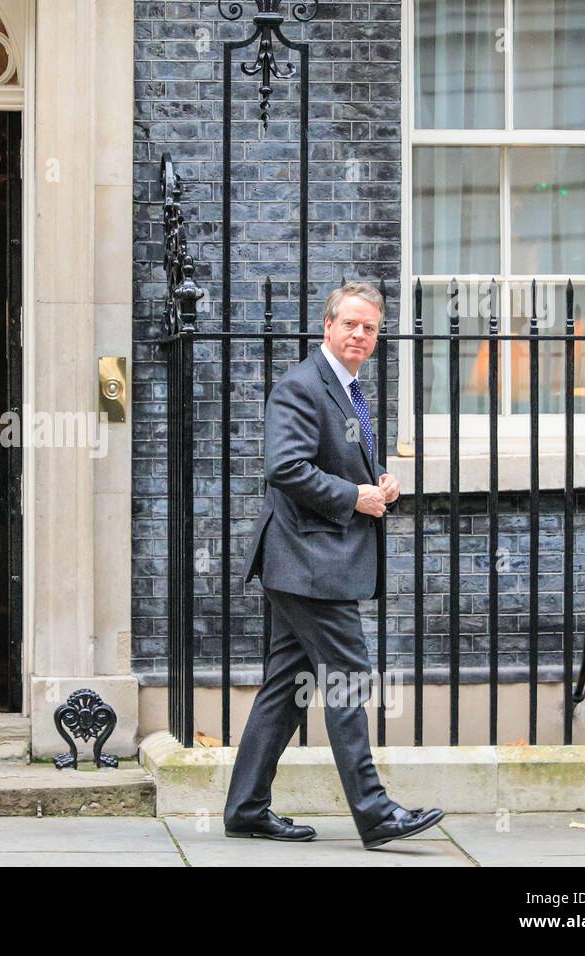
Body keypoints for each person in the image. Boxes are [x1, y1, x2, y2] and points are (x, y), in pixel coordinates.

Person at [224, 281, 445, 850]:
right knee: (349, 675)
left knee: (284, 685)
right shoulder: (302, 386)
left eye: (370, 328)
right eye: (350, 324)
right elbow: (286, 468)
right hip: (308, 562)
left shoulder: (348, 389)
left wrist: (379, 486)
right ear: (327, 325)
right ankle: (374, 812)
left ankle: (246, 807)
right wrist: (354, 497)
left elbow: (331, 463)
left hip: (307, 562)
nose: (360, 335)